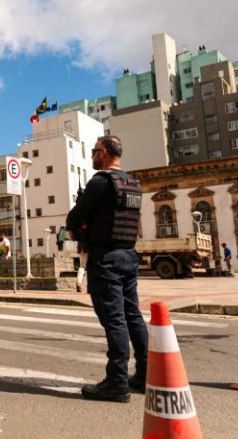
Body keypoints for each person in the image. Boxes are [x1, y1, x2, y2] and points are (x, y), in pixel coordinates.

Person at [66, 135, 148, 403]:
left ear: (103, 152)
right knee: (132, 315)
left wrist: (76, 228)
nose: (92, 156)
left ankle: (116, 382)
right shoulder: (133, 183)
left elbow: (76, 216)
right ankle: (144, 375)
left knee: (114, 319)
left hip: (106, 258)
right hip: (128, 255)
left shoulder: (101, 182)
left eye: (93, 151)